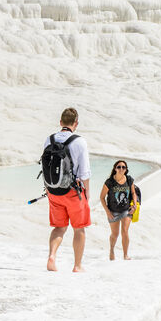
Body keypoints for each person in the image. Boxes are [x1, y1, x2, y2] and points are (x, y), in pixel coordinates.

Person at [43, 108, 91, 273]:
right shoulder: (79, 141)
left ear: (61, 122)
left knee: (59, 227)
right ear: (75, 124)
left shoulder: (49, 140)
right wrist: (87, 193)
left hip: (53, 191)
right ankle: (77, 266)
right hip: (73, 192)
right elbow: (84, 173)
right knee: (79, 228)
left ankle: (52, 256)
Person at [99, 160, 140, 261]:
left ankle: (125, 255)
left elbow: (133, 193)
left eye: (123, 167)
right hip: (113, 211)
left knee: (125, 231)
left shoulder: (129, 180)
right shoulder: (109, 182)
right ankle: (112, 250)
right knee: (115, 234)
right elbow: (102, 197)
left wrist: (134, 205)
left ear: (126, 169)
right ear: (115, 168)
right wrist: (107, 212)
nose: (121, 169)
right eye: (119, 167)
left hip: (127, 210)